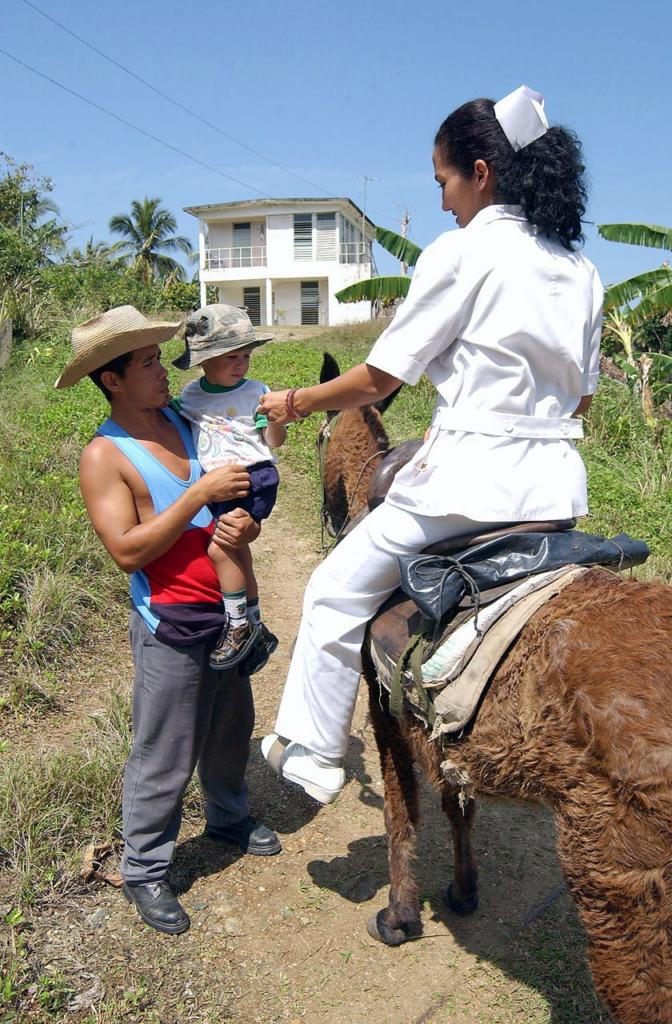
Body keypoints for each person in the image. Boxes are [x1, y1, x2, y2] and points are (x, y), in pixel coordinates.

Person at [257, 85, 603, 805]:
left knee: (330, 593)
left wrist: (296, 400)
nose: (443, 200)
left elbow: (381, 377)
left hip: (468, 487)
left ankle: (316, 750)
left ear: (480, 172)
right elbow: (583, 398)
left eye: (444, 180)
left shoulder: (463, 252)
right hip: (559, 490)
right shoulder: (583, 271)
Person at [56, 304, 281, 937]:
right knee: (165, 747)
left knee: (232, 724)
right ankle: (145, 867)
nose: (165, 372)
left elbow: (240, 484)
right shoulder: (106, 454)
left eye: (159, 359)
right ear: (113, 380)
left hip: (227, 607)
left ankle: (228, 815)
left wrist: (246, 520)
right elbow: (127, 548)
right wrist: (196, 498)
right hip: (171, 618)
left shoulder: (188, 421)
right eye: (149, 363)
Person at [170, 304, 286, 671]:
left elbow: (274, 440)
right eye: (230, 356)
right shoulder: (191, 396)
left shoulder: (257, 392)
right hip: (220, 483)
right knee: (236, 551)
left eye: (245, 355)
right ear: (203, 361)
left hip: (253, 475)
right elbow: (171, 417)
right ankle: (254, 621)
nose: (241, 364)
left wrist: (278, 420)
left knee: (221, 551)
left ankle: (236, 625)